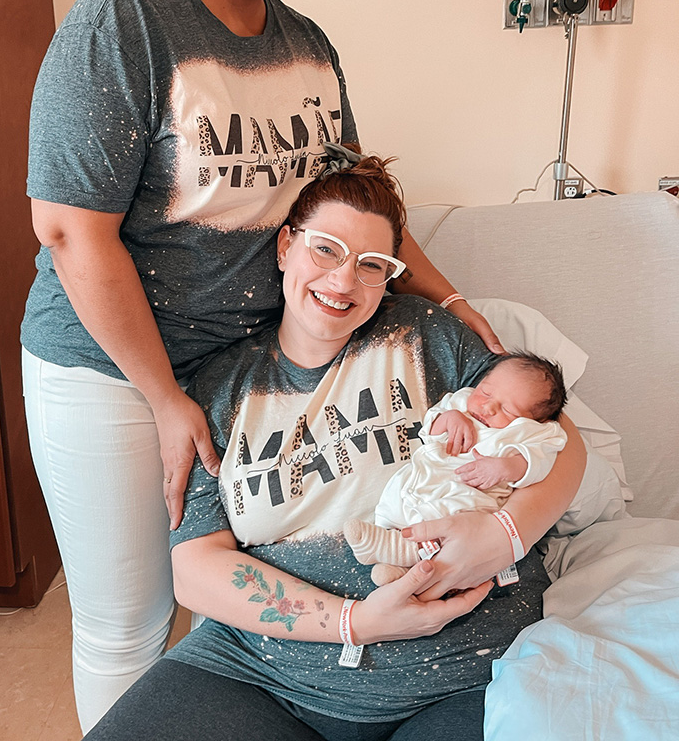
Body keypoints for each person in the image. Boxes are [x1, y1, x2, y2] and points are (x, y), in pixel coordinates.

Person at [20, 0, 501, 730]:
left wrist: (451, 305)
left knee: (230, 611)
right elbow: (72, 231)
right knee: (129, 620)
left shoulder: (306, 48)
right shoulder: (125, 19)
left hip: (240, 369)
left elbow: (360, 208)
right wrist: (160, 397)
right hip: (109, 370)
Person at [83, 147, 586, 741]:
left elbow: (558, 440)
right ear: (284, 246)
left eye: (371, 264)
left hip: (463, 671)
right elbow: (195, 570)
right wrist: (355, 622)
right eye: (325, 249)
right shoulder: (222, 388)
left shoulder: (425, 336)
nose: (344, 280)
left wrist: (506, 535)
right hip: (258, 672)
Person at [344, 354, 568, 581]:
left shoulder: (536, 432)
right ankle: (394, 559)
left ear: (536, 421)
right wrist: (449, 418)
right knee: (395, 496)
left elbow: (539, 461)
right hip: (425, 475)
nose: (488, 406)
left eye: (508, 410)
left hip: (469, 491)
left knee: (452, 514)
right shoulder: (461, 402)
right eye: (485, 392)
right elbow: (428, 432)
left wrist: (506, 467)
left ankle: (400, 553)